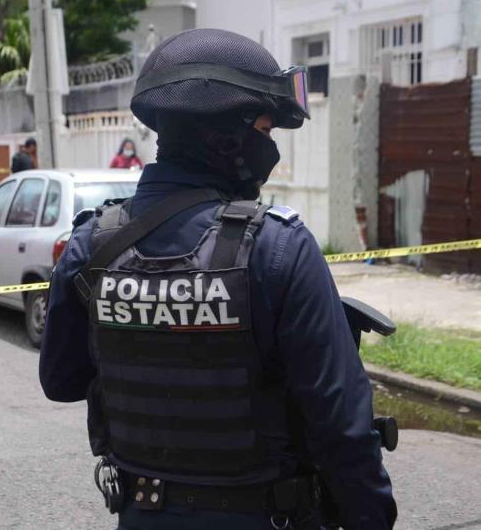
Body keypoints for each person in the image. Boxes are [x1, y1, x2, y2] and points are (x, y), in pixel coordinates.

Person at [39, 29, 396, 530]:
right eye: (268, 130)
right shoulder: (279, 248)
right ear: (230, 138)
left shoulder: (92, 244)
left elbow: (61, 381)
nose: (270, 148)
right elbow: (343, 429)